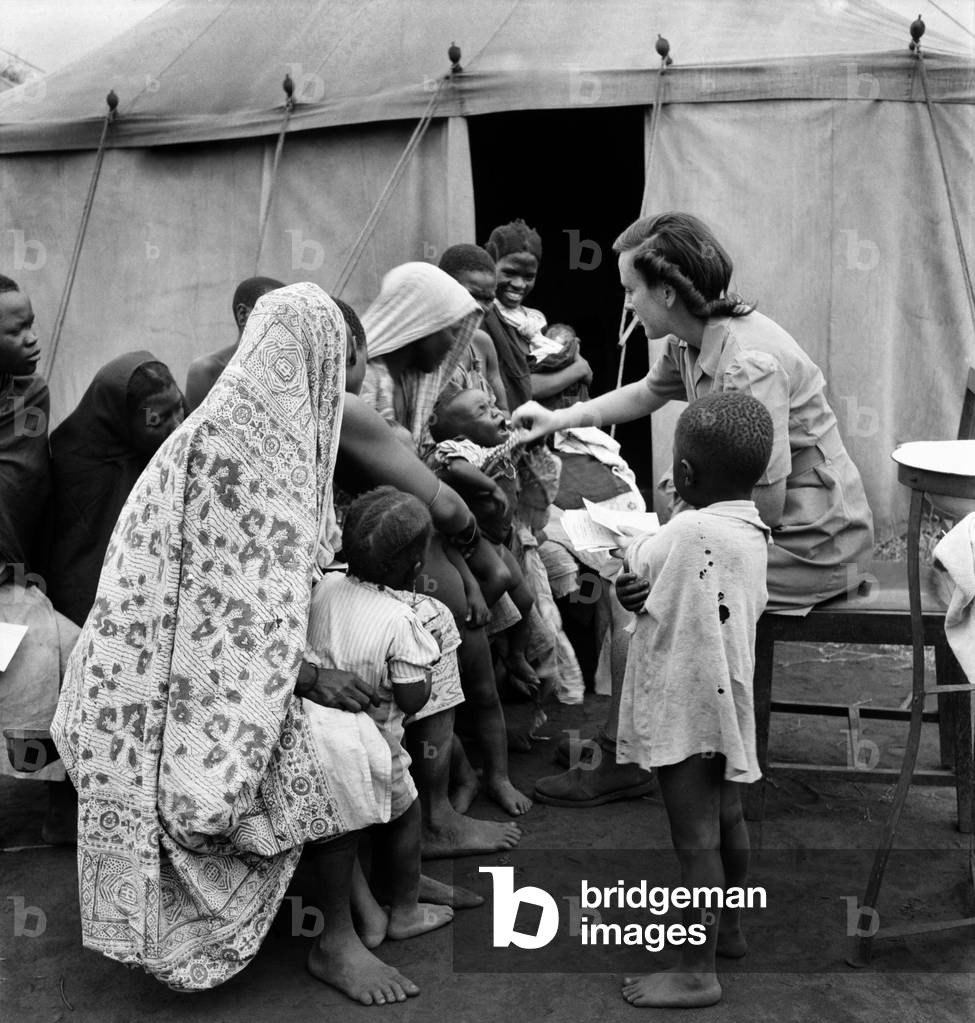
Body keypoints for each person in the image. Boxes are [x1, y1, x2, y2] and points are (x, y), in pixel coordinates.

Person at [50, 283, 423, 1003]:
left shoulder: (256, 435)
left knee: (352, 713)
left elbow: (252, 601)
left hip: (207, 671)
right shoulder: (238, 453)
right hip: (161, 692)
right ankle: (334, 940)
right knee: (337, 748)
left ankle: (374, 897)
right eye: (334, 359)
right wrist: (309, 678)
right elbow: (229, 619)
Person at [512, 211, 875, 807]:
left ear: (667, 291)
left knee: (647, 592)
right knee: (639, 578)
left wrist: (678, 528)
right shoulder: (695, 338)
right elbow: (650, 392)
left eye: (630, 291)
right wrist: (559, 418)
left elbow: (767, 504)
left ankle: (628, 758)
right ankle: (633, 740)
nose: (627, 307)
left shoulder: (748, 363)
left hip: (810, 541)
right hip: (756, 526)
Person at [336, 295, 523, 854]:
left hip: (415, 553)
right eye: (448, 330)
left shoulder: (405, 392)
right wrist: (473, 548)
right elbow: (442, 506)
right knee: (437, 659)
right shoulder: (358, 403)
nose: (455, 346)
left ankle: (461, 785)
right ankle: (432, 817)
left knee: (460, 672)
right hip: (393, 560)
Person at [617, 392, 773, 1009]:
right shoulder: (750, 529)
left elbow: (639, 557)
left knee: (695, 844)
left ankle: (696, 971)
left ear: (683, 475)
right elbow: (670, 587)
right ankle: (728, 929)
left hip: (687, 709)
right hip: (725, 703)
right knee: (726, 820)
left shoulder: (685, 529)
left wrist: (659, 524)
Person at [307, 486, 455, 941]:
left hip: (321, 735)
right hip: (379, 745)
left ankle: (369, 905)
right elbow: (412, 699)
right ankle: (405, 909)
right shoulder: (400, 620)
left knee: (350, 821)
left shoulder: (325, 586)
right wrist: (427, 671)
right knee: (404, 816)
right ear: (415, 569)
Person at [0, 273, 81, 844]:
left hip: (13, 579)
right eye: (16, 329)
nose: (33, 338)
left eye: (32, 324)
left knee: (76, 661)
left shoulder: (28, 395)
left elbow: (25, 486)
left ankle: (61, 807)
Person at [48, 353, 186, 626]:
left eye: (178, 408)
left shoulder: (181, 448)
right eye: (158, 420)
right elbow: (76, 572)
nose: (178, 425)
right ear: (121, 420)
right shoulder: (78, 466)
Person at [428, 387, 539, 695]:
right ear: (460, 433)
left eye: (491, 404)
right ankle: (470, 629)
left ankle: (515, 654)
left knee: (526, 600)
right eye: (481, 411)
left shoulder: (493, 446)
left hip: (497, 540)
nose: (494, 411)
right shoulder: (458, 448)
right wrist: (490, 488)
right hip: (473, 541)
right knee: (500, 579)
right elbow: (456, 467)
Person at [482, 219, 592, 409]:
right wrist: (578, 369)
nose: (519, 284)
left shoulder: (533, 321)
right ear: (490, 265)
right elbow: (520, 389)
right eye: (509, 273)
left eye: (528, 277)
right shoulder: (485, 318)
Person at [184, 275, 283, 410]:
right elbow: (195, 429)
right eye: (276, 315)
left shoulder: (285, 373)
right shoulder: (208, 370)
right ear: (243, 315)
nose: (285, 326)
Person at [438, 244, 508, 411]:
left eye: (488, 299)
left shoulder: (482, 343)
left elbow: (504, 411)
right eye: (472, 295)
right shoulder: (428, 346)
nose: (481, 307)